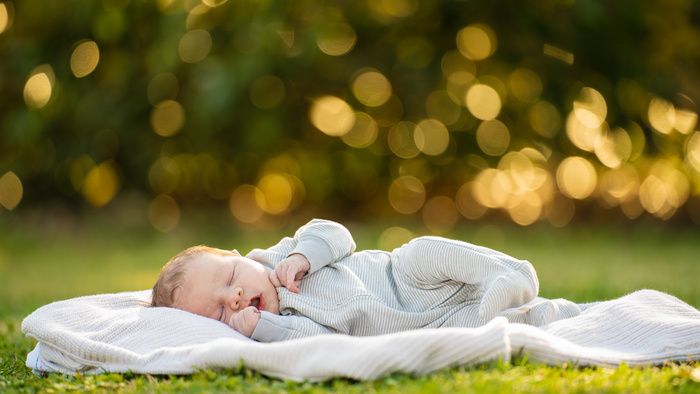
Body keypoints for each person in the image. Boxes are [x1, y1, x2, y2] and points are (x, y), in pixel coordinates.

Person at [151, 219, 581, 342]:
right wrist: (260, 326)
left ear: (236, 256)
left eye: (229, 277)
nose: (238, 296)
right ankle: (541, 314)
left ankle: (508, 274)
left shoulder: (282, 254)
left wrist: (305, 254)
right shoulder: (271, 329)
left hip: (402, 278)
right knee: (472, 327)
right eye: (222, 310)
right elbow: (309, 341)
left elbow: (339, 235)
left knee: (426, 249)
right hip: (412, 326)